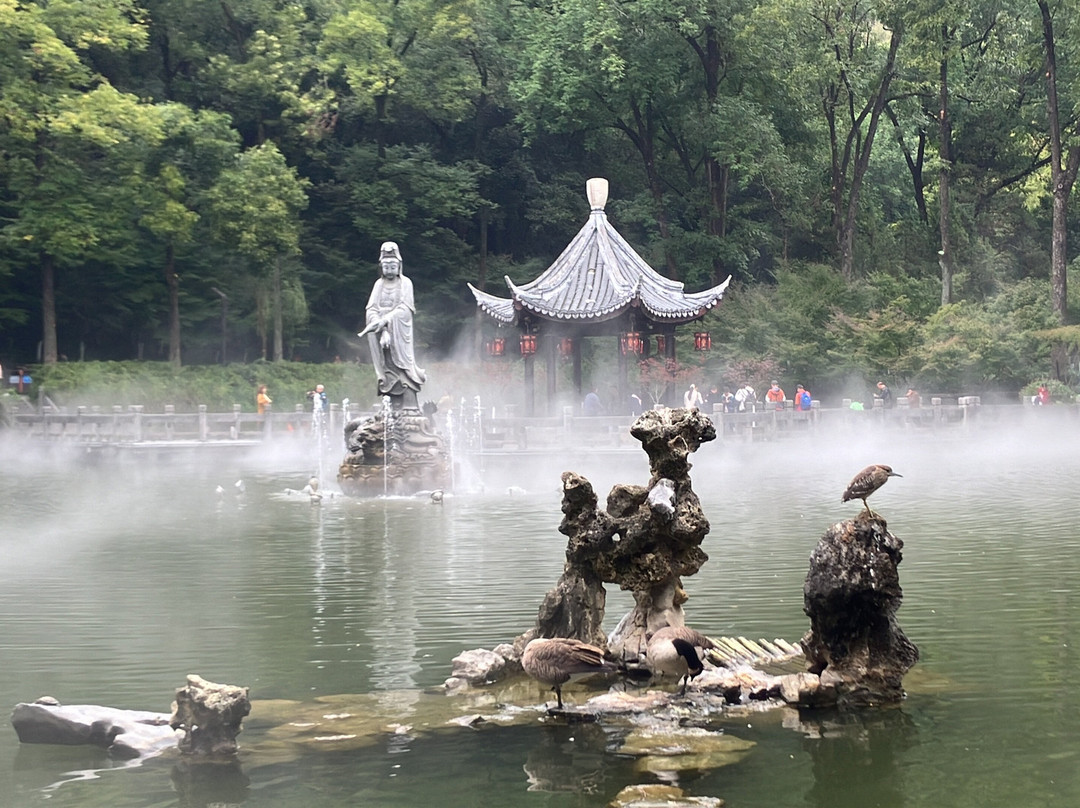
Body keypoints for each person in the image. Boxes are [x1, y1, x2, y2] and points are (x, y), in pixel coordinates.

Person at [361, 241, 427, 410]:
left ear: (399, 266)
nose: (389, 269)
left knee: (402, 366)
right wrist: (381, 328)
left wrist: (386, 320)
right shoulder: (379, 285)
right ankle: (389, 399)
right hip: (382, 333)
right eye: (386, 265)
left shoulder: (405, 284)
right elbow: (371, 309)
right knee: (387, 365)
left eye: (393, 265)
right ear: (381, 266)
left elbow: (406, 309)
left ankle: (409, 402)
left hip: (399, 334)